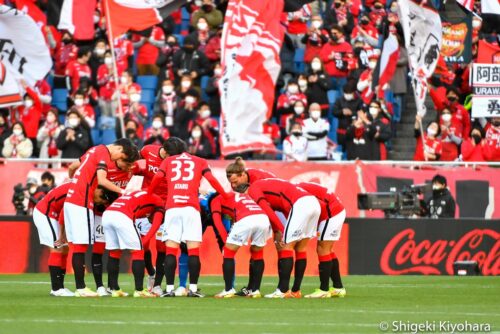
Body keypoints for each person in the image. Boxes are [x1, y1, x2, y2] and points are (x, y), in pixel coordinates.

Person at [147, 137, 228, 297]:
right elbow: (211, 180)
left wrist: (149, 194)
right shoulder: (200, 160)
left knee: (171, 250)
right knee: (193, 251)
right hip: (191, 209)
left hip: (172, 208)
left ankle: (169, 290)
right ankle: (193, 289)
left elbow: (157, 178)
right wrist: (225, 195)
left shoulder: (168, 161)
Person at [63, 139, 140, 297]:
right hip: (82, 200)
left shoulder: (94, 149)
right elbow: (102, 180)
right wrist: (124, 192)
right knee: (80, 247)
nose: (116, 160)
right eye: (120, 157)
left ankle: (81, 288)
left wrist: (72, 182)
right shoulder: (104, 153)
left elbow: (72, 167)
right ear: (119, 149)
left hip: (71, 199)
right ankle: (81, 288)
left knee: (78, 246)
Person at [238, 179, 321, 298]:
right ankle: (295, 291)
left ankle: (282, 291)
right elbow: (284, 208)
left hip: (301, 204)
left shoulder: (252, 190)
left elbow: (267, 209)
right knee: (301, 248)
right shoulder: (265, 186)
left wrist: (281, 229)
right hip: (313, 203)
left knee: (286, 246)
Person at [33, 183, 110, 297]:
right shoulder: (82, 191)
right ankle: (56, 289)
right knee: (57, 248)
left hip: (54, 213)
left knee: (64, 250)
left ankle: (60, 287)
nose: (97, 203)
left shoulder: (85, 188)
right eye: (100, 201)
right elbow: (64, 211)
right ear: (99, 191)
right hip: (46, 212)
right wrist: (62, 234)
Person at [102, 190, 164, 297]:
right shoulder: (159, 206)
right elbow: (155, 227)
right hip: (122, 215)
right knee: (138, 253)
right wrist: (141, 244)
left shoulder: (141, 195)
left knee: (114, 252)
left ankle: (114, 289)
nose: (149, 219)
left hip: (108, 214)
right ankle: (139, 291)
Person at [212, 191, 272, 298]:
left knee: (228, 252)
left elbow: (217, 220)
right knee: (257, 253)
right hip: (263, 218)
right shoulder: (243, 196)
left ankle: (228, 290)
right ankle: (255, 290)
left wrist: (225, 240)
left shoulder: (215, 199)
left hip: (246, 219)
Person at [297, 182, 346, 299]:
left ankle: (324, 289)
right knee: (328, 250)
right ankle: (338, 287)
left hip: (331, 213)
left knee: (322, 249)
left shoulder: (297, 191)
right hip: (336, 210)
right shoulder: (299, 187)